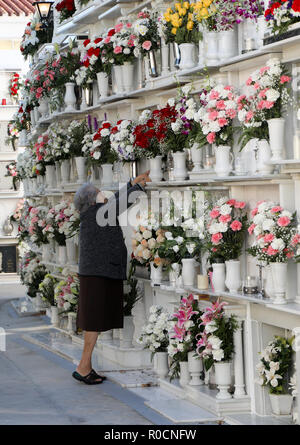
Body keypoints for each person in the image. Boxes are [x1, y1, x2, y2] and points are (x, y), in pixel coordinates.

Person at [72, 172, 151, 384]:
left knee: (94, 322)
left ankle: (85, 366)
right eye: (99, 193)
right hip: (98, 275)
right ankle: (83, 367)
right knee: (94, 322)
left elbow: (113, 201)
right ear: (93, 200)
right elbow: (118, 204)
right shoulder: (97, 213)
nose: (103, 194)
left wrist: (132, 183)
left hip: (97, 273)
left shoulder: (95, 211)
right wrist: (137, 189)